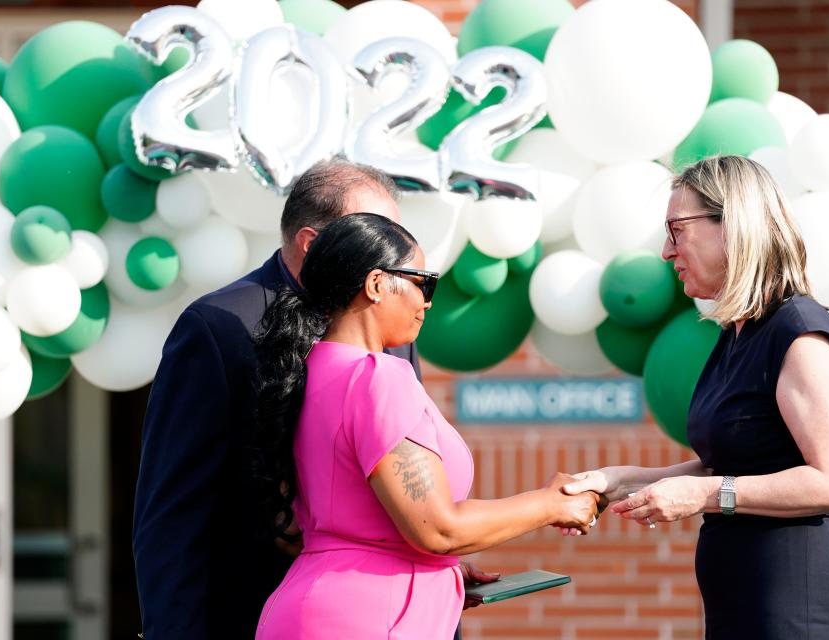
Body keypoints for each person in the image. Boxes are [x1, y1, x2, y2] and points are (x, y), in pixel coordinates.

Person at [564, 155, 829, 639]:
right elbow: (737, 464)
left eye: (677, 230)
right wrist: (620, 481)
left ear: (734, 226)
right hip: (747, 607)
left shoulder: (799, 334)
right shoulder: (740, 334)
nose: (667, 251)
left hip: (801, 611)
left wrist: (706, 495)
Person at [252, 213, 602, 639]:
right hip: (367, 618)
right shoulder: (377, 377)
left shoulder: (306, 370)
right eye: (423, 283)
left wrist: (430, 569)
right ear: (377, 284)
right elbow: (438, 528)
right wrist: (552, 504)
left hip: (315, 604)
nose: (428, 301)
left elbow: (316, 526)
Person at [132, 160, 423, 639]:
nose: (387, 251)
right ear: (311, 244)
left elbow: (408, 469)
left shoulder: (394, 324)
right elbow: (173, 512)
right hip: (258, 612)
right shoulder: (219, 327)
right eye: (369, 231)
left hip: (392, 615)